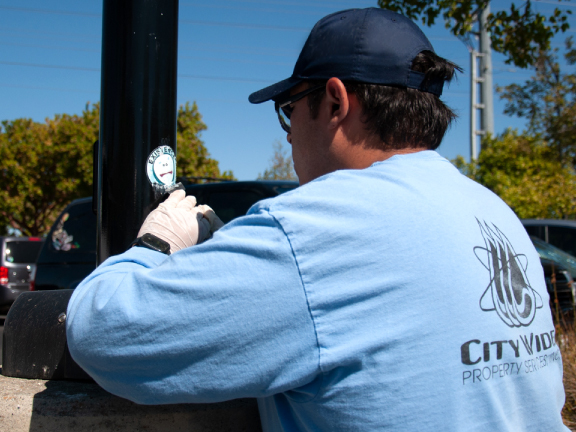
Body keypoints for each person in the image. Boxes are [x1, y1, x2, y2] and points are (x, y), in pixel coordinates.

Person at [67, 8, 568, 431]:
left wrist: (156, 245)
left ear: (334, 101)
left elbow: (103, 333)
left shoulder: (318, 228)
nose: (287, 137)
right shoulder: (491, 211)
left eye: (289, 109)